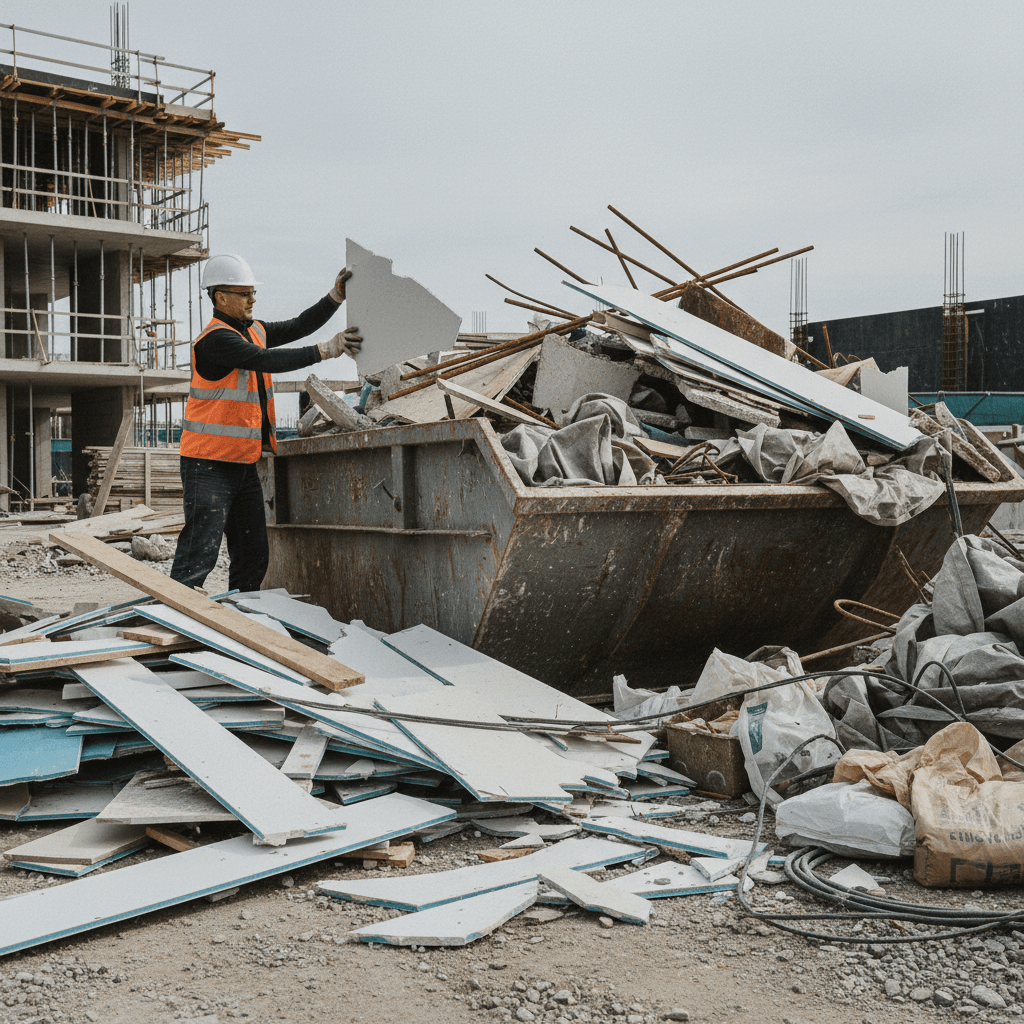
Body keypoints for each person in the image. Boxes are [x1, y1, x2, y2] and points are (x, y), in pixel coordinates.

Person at [169, 253, 360, 593]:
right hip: (208, 463)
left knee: (253, 553)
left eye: (252, 292)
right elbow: (264, 360)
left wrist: (335, 298)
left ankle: (243, 619)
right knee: (199, 551)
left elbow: (298, 326)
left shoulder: (253, 330)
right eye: (244, 293)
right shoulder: (215, 339)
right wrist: (326, 350)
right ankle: (179, 615)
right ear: (220, 296)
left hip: (242, 461)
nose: (252, 299)